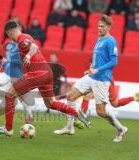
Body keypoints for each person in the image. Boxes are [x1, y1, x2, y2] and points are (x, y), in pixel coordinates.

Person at [0, 20, 91, 136]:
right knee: (50, 103)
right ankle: (77, 113)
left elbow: (33, 47)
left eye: (8, 35)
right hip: (46, 73)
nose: (9, 38)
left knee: (9, 95)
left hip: (37, 73)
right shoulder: (27, 36)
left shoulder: (21, 40)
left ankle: (8, 129)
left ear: (10, 32)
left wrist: (28, 56)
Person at [54, 15, 127, 143]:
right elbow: (98, 59)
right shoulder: (99, 39)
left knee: (101, 112)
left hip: (102, 80)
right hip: (91, 76)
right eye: (98, 26)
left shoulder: (111, 41)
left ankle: (121, 129)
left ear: (109, 27)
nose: (99, 28)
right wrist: (91, 69)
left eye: (102, 26)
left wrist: (97, 70)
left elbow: (114, 62)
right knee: (70, 96)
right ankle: (69, 127)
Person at [0, 39, 34, 123]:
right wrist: (2, 62)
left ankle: (30, 116)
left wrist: (8, 61)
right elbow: (8, 61)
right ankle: (10, 97)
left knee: (21, 97)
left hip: (17, 75)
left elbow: (22, 61)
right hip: (7, 73)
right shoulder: (9, 45)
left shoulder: (22, 45)